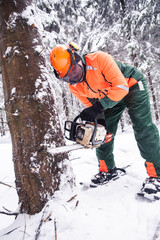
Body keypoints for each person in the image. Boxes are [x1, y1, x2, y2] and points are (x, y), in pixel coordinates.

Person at [50, 42, 160, 199]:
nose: (73, 77)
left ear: (77, 58)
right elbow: (93, 107)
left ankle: (157, 175)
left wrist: (97, 108)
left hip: (132, 85)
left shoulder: (99, 59)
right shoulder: (75, 86)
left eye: (73, 70)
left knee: (143, 127)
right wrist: (99, 122)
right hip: (108, 99)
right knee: (101, 133)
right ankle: (107, 170)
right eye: (68, 77)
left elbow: (122, 88)